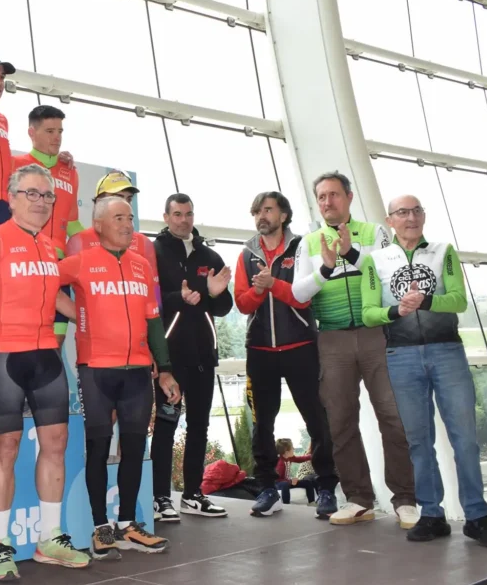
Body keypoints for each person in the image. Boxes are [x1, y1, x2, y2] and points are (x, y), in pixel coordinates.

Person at [0, 164, 90, 580]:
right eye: (31, 193)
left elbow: (56, 300)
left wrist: (94, 320)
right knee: (7, 448)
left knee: (56, 441)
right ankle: (0, 546)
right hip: (3, 356)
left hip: (46, 355)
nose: (40, 201)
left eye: (47, 195)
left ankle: (51, 538)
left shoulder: (51, 246)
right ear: (11, 196)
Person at [361, 194, 487, 546]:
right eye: (402, 212)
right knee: (418, 442)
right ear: (389, 220)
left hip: (447, 352)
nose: (411, 217)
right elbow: (367, 312)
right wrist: (396, 311)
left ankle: (477, 516)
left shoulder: (443, 251)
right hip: (401, 354)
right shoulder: (375, 260)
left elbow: (458, 300)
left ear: (423, 216)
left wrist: (424, 300)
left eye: (417, 211)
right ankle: (432, 514)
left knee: (465, 439)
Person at [291, 172, 417, 528]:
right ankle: (358, 498)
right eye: (321, 197)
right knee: (340, 421)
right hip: (331, 339)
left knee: (392, 417)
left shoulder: (374, 232)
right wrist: (326, 269)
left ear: (348, 196)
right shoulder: (308, 242)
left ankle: (405, 499)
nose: (327, 202)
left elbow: (387, 276)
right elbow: (299, 294)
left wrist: (350, 252)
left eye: (333, 195)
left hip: (377, 332)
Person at [59, 196, 180, 559]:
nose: (128, 225)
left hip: (138, 373)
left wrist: (166, 369)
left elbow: (154, 321)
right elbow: (46, 285)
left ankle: (127, 524)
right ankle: (100, 529)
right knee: (97, 448)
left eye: (130, 217)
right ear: (98, 224)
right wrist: (78, 315)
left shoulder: (142, 265)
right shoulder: (80, 262)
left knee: (133, 449)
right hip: (96, 370)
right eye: (118, 218)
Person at [234, 191, 338, 519]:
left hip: (301, 347)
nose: (261, 216)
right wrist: (259, 289)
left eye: (267, 210)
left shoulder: (302, 246)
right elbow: (242, 303)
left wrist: (272, 283)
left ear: (283, 215)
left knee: (316, 418)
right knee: (262, 423)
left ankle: (325, 486)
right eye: (257, 212)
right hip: (260, 350)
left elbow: (303, 298)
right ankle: (266, 488)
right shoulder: (246, 253)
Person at [151, 193, 231, 521]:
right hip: (171, 358)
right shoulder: (153, 252)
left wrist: (216, 293)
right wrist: (178, 297)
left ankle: (193, 494)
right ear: (166, 217)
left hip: (203, 357)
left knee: (199, 426)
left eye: (188, 214)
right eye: (177, 214)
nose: (184, 220)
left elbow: (224, 308)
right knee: (167, 427)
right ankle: (160, 497)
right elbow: (150, 301)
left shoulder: (210, 255)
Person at [11, 105, 83, 348]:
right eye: (50, 131)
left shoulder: (70, 171)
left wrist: (99, 248)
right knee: (27, 339)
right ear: (32, 133)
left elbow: (72, 223)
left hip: (60, 266)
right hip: (28, 264)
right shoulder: (16, 166)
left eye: (60, 131)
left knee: (55, 343)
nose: (57, 137)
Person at [274, 439, 316, 505]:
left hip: (287, 481)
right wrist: (290, 481)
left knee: (307, 483)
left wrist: (312, 456)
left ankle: (312, 503)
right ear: (286, 452)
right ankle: (286, 504)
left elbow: (300, 459)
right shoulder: (280, 463)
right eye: (292, 448)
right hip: (278, 483)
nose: (294, 449)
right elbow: (277, 479)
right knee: (285, 484)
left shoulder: (290, 458)